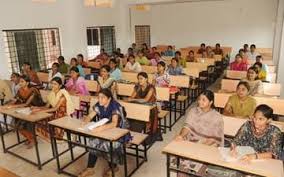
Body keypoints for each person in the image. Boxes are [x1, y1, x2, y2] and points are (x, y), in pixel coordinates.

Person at [79, 89, 128, 177]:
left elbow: (114, 123)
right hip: (105, 128)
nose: (100, 100)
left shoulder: (115, 106)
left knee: (108, 144)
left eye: (103, 98)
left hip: (119, 131)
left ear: (109, 99)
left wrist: (100, 128)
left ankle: (114, 167)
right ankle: (90, 168)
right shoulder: (99, 104)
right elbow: (90, 115)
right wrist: (86, 120)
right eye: (99, 97)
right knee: (93, 142)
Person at [174, 90, 224, 177]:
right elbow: (187, 126)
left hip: (208, 144)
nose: (200, 101)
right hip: (192, 141)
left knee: (199, 171)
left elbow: (215, 139)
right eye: (199, 99)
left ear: (211, 102)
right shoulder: (193, 111)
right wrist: (181, 136)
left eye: (204, 100)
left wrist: (199, 148)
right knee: (182, 173)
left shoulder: (217, 117)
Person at [6, 75, 45, 148]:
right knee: (17, 122)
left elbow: (27, 103)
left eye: (22, 81)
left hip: (37, 109)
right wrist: (8, 104)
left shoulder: (33, 90)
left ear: (27, 83)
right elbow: (16, 99)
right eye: (20, 81)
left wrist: (13, 106)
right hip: (26, 110)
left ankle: (33, 140)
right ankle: (30, 138)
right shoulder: (20, 90)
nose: (20, 83)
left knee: (23, 123)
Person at [128, 72, 161, 144]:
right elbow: (131, 97)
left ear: (146, 79)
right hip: (140, 107)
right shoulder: (137, 87)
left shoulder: (151, 87)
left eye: (141, 79)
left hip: (151, 108)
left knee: (139, 118)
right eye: (138, 79)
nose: (139, 80)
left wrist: (134, 100)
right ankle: (132, 136)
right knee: (131, 116)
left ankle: (136, 137)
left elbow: (146, 99)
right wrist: (132, 99)